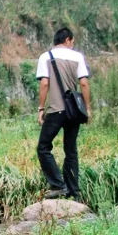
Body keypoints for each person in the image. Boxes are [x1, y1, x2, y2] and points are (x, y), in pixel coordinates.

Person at [36, 27, 90, 200]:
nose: (72, 45)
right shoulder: (78, 57)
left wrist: (41, 108)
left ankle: (59, 185)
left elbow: (45, 84)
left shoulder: (46, 57)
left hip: (56, 109)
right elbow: (84, 84)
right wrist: (87, 108)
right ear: (67, 40)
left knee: (43, 147)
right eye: (72, 42)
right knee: (71, 150)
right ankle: (74, 191)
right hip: (74, 111)